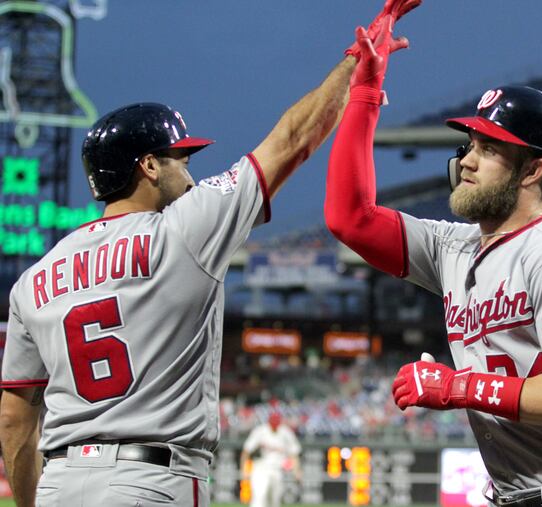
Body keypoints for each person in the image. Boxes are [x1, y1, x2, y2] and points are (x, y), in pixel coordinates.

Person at [0, 2, 420, 506]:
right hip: (150, 480)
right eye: (181, 158)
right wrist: (356, 63)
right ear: (149, 166)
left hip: (60, 482)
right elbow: (291, 142)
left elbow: (14, 413)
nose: (191, 173)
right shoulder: (182, 229)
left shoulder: (36, 278)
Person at [324, 27, 542, 507]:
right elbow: (350, 218)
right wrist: (365, 94)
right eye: (471, 146)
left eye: (489, 149)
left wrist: (460, 386)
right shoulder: (453, 247)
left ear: (533, 171)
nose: (468, 161)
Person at [239, 411, 301, 507]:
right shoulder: (260, 431)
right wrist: (244, 470)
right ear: (269, 421)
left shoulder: (285, 433)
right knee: (259, 497)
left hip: (278, 470)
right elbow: (246, 451)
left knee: (274, 501)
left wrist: (297, 471)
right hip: (260, 468)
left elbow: (294, 453)